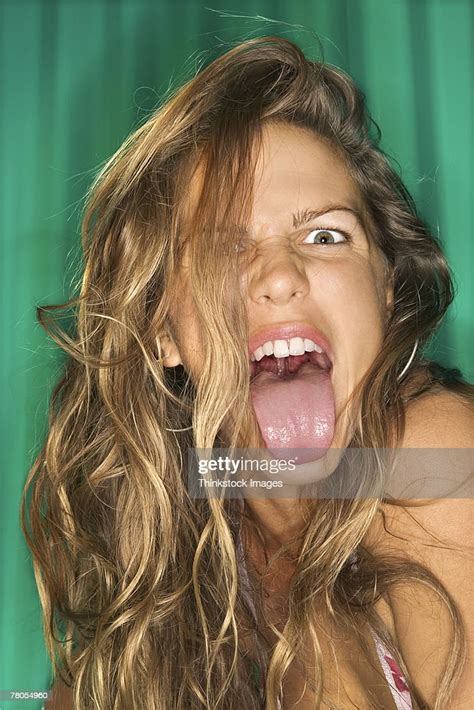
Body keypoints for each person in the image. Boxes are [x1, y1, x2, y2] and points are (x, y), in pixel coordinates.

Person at [22, 36, 473, 709]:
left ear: (386, 290)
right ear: (163, 331)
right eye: (224, 247)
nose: (282, 276)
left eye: (326, 235)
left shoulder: (433, 461)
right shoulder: (182, 533)